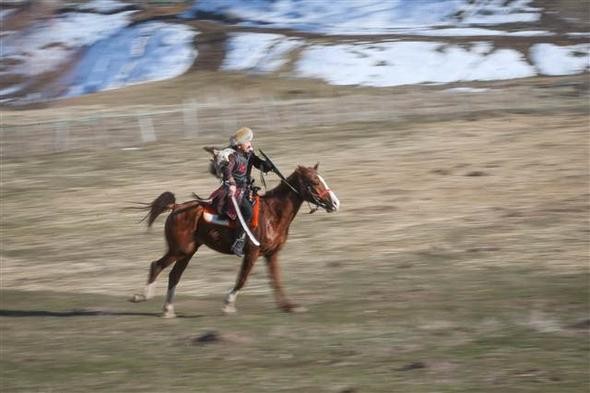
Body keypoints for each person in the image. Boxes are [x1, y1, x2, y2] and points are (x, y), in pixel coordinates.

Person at [219, 127, 272, 256]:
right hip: (234, 190)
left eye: (250, 141)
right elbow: (227, 171)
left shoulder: (249, 155)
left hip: (246, 189)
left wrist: (268, 166)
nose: (250, 144)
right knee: (247, 211)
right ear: (239, 146)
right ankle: (238, 242)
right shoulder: (233, 157)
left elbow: (258, 163)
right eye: (247, 142)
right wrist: (231, 183)